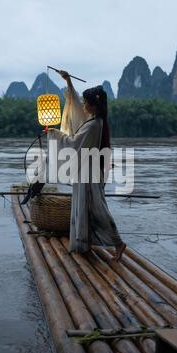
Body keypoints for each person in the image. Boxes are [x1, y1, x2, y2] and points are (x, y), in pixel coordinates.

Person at [48, 70, 126, 261]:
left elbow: (74, 144)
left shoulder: (93, 125)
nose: (82, 105)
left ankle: (118, 243)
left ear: (92, 105)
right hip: (87, 172)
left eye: (85, 102)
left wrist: (55, 134)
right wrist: (68, 81)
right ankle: (85, 244)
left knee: (97, 208)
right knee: (86, 207)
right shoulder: (95, 121)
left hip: (89, 174)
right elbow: (75, 103)